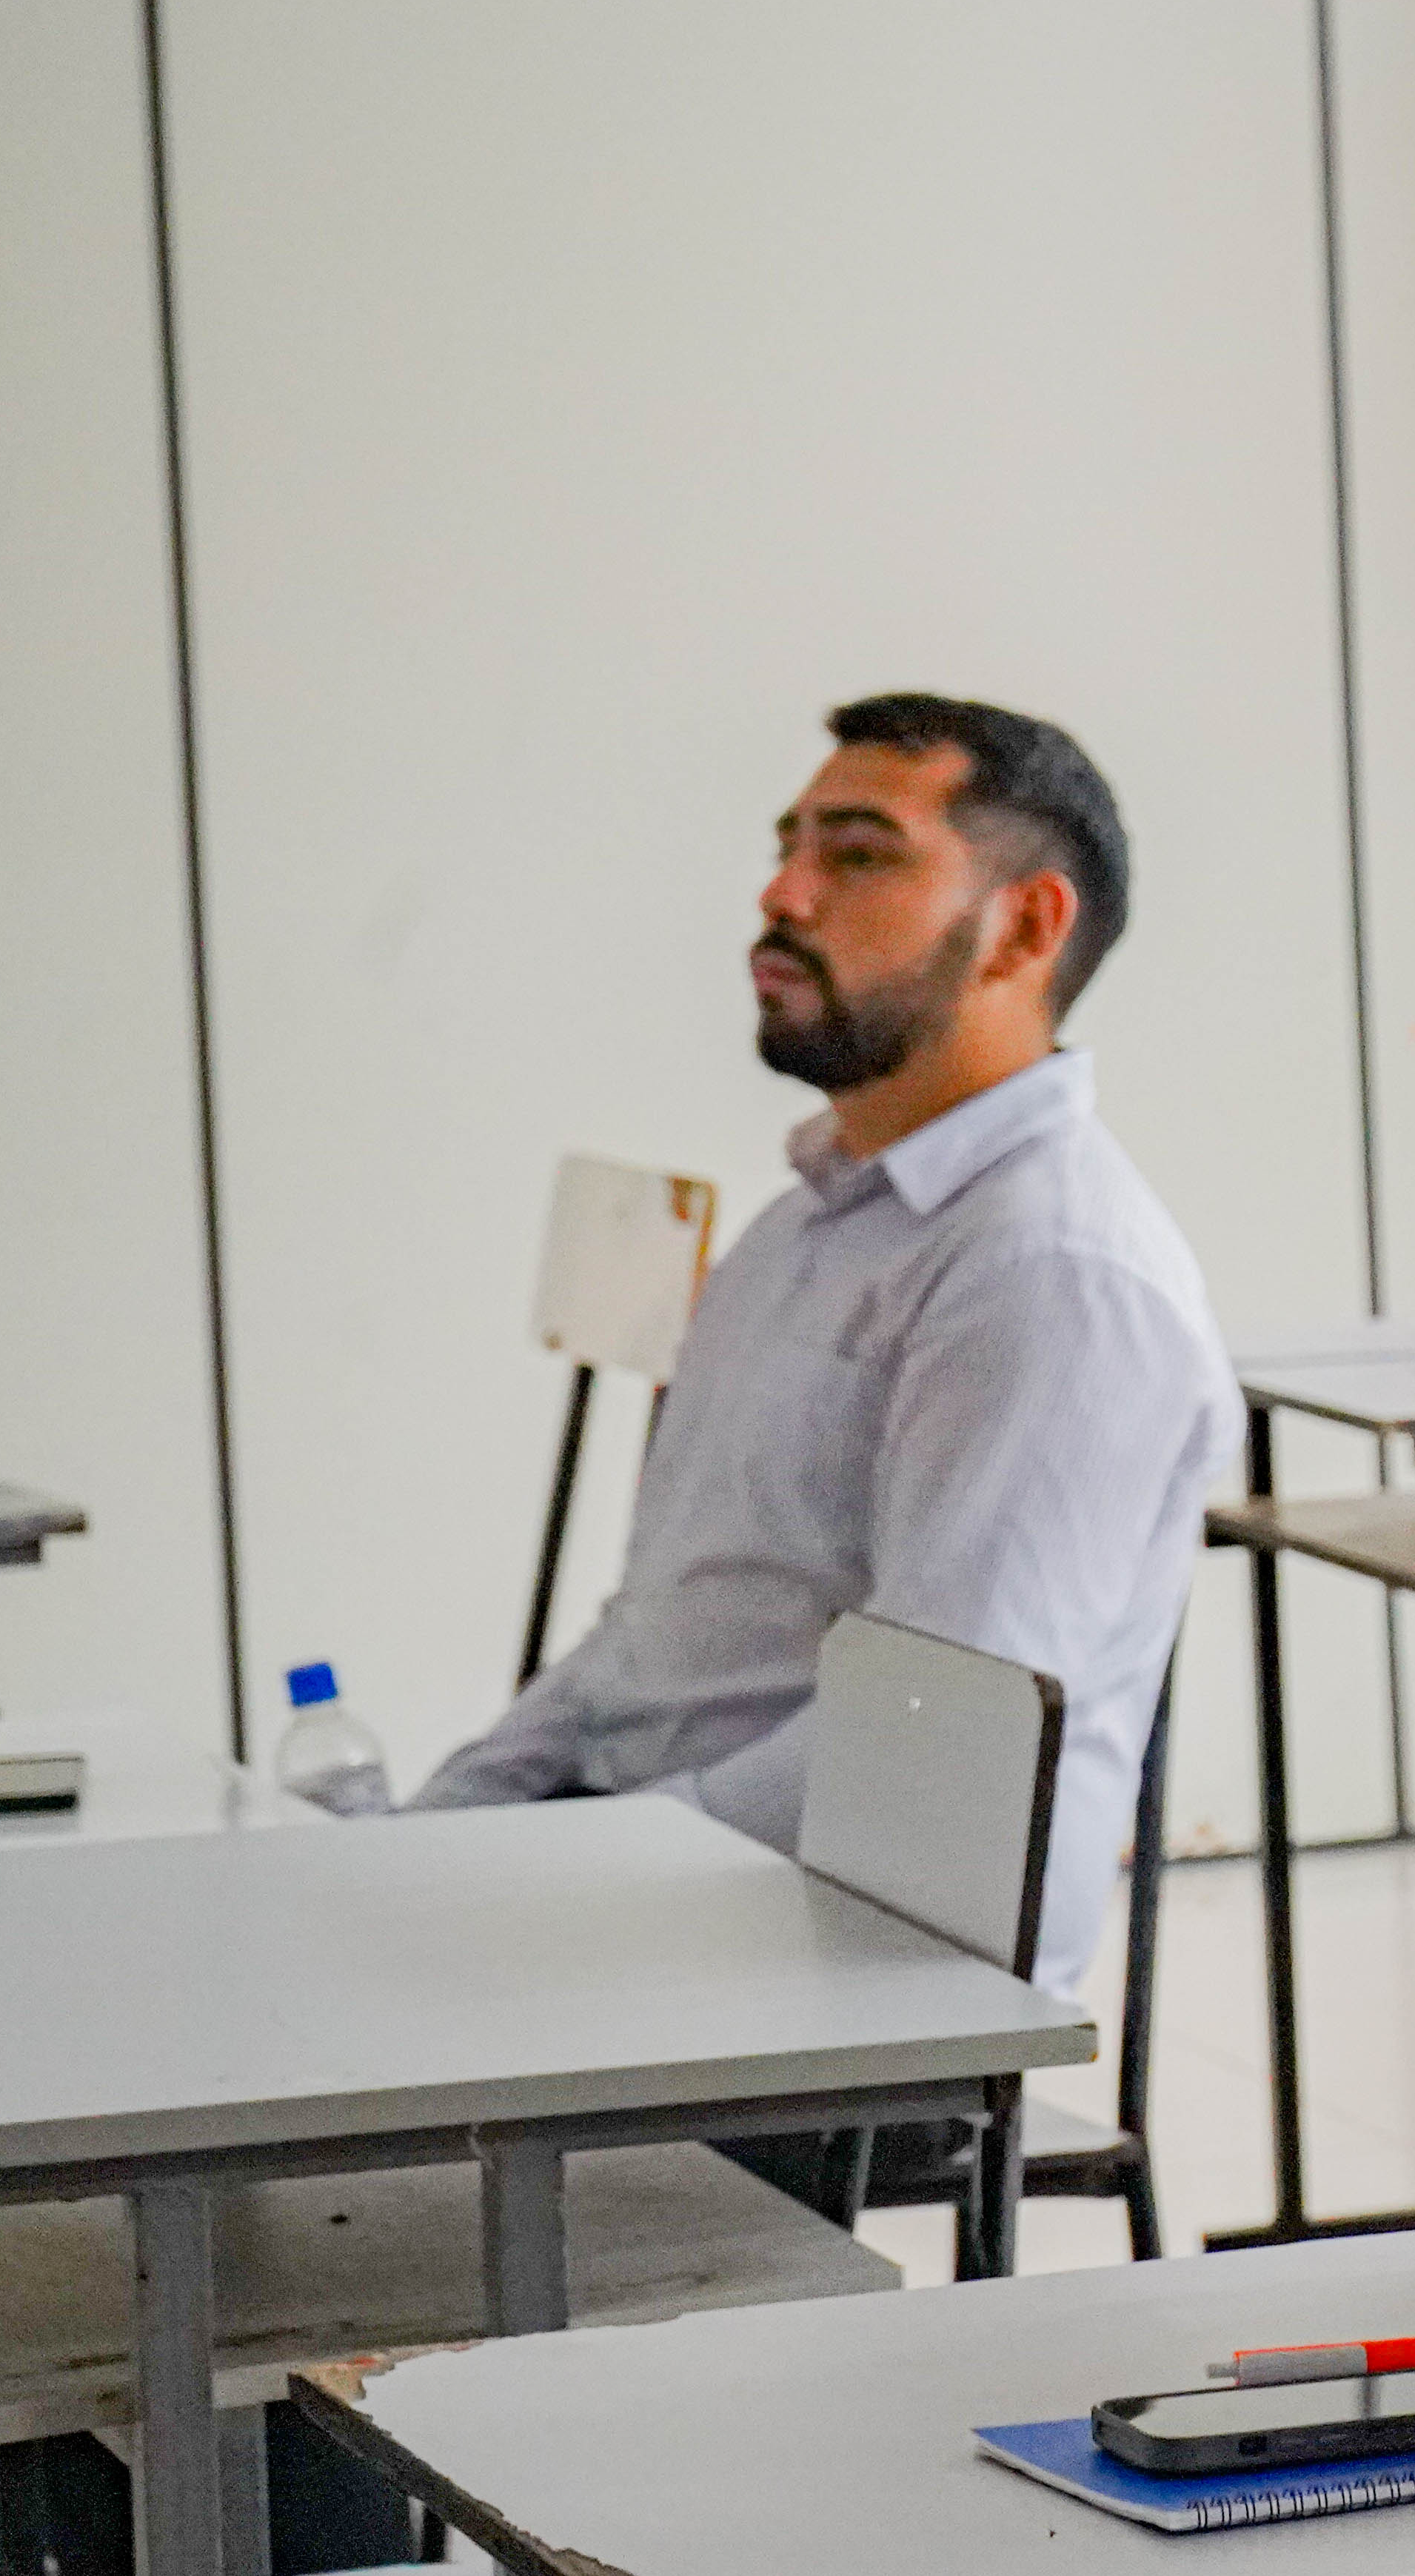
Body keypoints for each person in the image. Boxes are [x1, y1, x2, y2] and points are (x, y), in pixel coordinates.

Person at [419, 695, 1235, 2013]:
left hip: (846, 1967)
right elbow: (654, 1636)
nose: (782, 891)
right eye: (790, 843)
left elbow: (925, 1766)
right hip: (670, 1884)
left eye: (858, 854)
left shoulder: (1049, 1275)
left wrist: (555, 1871)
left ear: (1023, 927)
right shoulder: (801, 1231)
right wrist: (463, 1813)